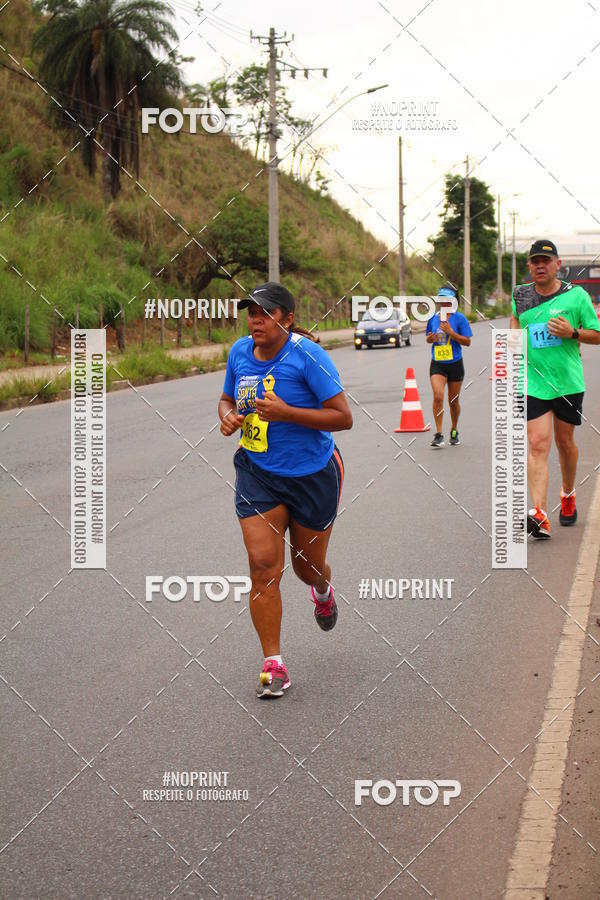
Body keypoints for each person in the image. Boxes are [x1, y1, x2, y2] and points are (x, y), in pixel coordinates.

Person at [218, 283, 353, 698]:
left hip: (312, 474)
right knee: (262, 566)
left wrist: (286, 413)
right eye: (251, 313)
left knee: (305, 568)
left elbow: (342, 417)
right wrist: (227, 418)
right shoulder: (240, 352)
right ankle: (273, 664)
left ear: (287, 318)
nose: (255, 320)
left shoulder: (309, 356)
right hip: (258, 472)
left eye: (265, 312)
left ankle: (322, 590)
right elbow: (225, 399)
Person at [510, 240, 600, 539]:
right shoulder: (520, 296)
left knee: (565, 443)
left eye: (545, 261)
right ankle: (538, 513)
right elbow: (514, 333)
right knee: (537, 443)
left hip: (567, 381)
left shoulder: (576, 296)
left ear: (557, 264)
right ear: (529, 266)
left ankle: (568, 493)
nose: (540, 265)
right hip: (532, 382)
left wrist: (572, 333)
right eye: (535, 261)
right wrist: (507, 362)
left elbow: (596, 334)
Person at [425, 284, 473, 448]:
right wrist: (431, 338)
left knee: (453, 401)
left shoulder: (459, 318)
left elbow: (467, 342)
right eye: (441, 299)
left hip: (455, 364)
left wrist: (451, 332)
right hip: (437, 363)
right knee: (438, 396)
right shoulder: (433, 318)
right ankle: (438, 434)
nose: (443, 303)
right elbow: (428, 338)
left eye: (447, 300)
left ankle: (454, 429)